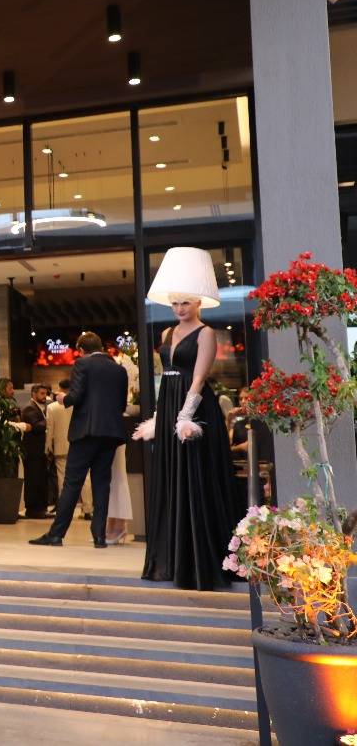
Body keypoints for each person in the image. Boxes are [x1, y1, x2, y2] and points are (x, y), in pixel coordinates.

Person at [134, 247, 241, 590]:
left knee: (195, 479)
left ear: (198, 303)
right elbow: (163, 376)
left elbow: (198, 378)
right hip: (169, 403)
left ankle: (197, 562)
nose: (180, 308)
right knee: (171, 479)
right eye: (175, 303)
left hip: (194, 408)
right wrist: (161, 417)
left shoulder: (206, 333)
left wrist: (184, 416)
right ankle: (170, 559)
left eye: (185, 302)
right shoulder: (166, 334)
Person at [29, 333, 128, 549]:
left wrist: (61, 398)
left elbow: (76, 396)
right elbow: (121, 405)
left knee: (72, 483)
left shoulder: (83, 364)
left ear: (81, 350)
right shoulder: (119, 370)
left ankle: (56, 534)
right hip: (110, 434)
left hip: (86, 433)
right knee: (102, 484)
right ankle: (99, 537)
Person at [19, 384, 50, 520]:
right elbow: (37, 426)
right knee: (34, 480)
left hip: (40, 451)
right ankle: (33, 510)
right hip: (32, 451)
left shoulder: (41, 408)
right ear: (34, 394)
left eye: (45, 394)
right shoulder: (29, 408)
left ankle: (41, 509)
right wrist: (49, 421)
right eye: (42, 393)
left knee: (41, 480)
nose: (45, 396)